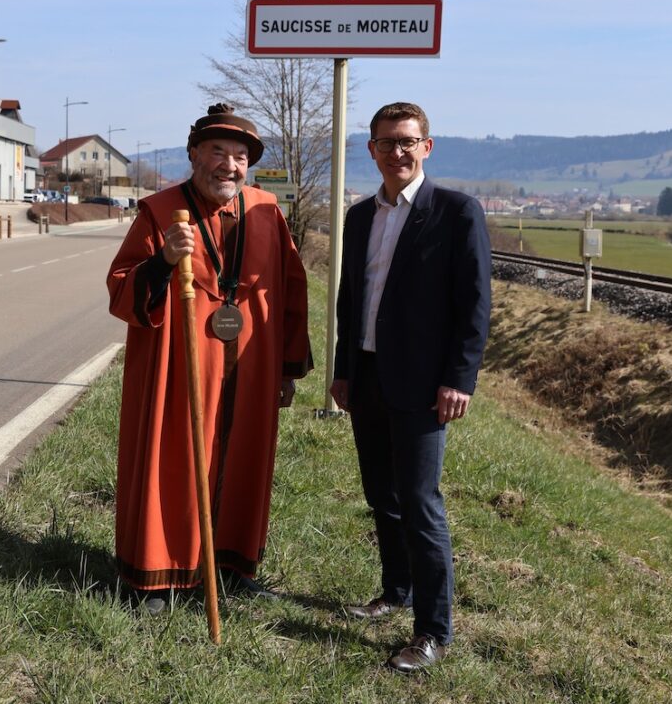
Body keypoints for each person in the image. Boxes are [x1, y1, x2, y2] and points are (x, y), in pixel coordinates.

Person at [107, 104, 313, 614]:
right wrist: (162, 261)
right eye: (218, 152)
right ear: (195, 154)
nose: (229, 165)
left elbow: (291, 291)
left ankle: (229, 569)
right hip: (177, 368)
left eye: (240, 156)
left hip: (251, 367)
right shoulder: (160, 212)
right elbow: (121, 291)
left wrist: (287, 369)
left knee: (244, 460)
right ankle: (159, 577)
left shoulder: (268, 212)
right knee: (172, 456)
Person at [330, 102, 491, 672]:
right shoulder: (358, 216)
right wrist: (344, 370)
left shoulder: (456, 212)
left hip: (425, 386)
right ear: (370, 150)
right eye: (385, 142)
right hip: (368, 375)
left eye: (407, 141)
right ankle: (393, 592)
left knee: (422, 504)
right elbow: (354, 300)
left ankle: (432, 630)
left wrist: (459, 379)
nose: (396, 152)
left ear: (427, 146)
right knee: (382, 495)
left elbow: (474, 306)